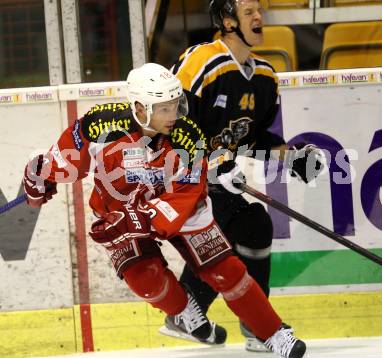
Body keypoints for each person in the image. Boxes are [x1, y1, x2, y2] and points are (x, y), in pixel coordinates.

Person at [23, 62, 307, 358]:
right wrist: (39, 178)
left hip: (178, 209)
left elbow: (187, 191)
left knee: (226, 271)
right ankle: (184, 311)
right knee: (143, 277)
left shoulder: (188, 137)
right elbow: (65, 159)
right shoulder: (100, 126)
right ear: (140, 108)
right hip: (121, 211)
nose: (174, 116)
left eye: (176, 105)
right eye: (164, 109)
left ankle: (274, 333)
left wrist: (146, 217)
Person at [159, 0, 322, 352]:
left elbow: (249, 139)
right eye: (248, 12)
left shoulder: (264, 77)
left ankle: (252, 324)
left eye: (259, 10)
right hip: (173, 176)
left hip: (211, 183)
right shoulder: (201, 61)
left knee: (256, 224)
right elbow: (171, 123)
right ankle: (188, 310)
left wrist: (290, 157)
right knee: (228, 214)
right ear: (228, 22)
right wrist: (213, 163)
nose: (259, 17)